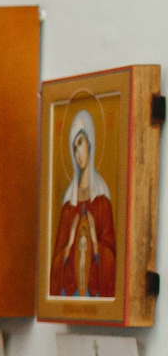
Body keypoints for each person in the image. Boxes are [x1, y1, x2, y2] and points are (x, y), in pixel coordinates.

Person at [49, 107, 116, 298]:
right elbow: (55, 264)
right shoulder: (69, 205)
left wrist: (96, 242)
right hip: (71, 291)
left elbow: (112, 258)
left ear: (90, 142)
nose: (78, 153)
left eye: (80, 143)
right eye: (74, 148)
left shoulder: (102, 200)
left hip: (94, 290)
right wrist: (69, 245)